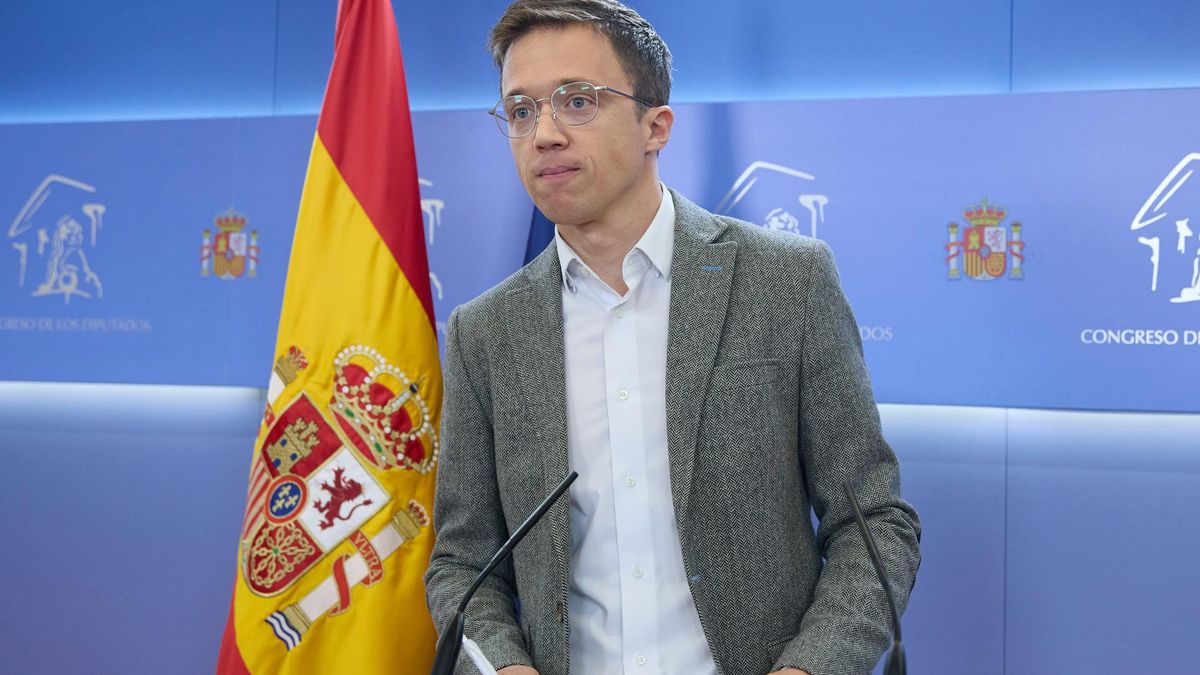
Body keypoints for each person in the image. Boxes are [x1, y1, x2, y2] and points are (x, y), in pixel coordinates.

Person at [424, 2, 921, 674]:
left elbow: (874, 525)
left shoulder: (786, 281)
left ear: (656, 125)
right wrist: (505, 666)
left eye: (576, 101)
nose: (542, 133)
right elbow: (461, 562)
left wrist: (810, 667)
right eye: (519, 110)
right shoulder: (486, 331)